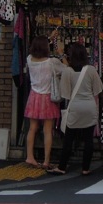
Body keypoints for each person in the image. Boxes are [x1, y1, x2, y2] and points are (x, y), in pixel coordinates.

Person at [55, 43, 103, 175]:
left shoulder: (67, 72)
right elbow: (97, 90)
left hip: (75, 107)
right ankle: (86, 168)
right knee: (89, 139)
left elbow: (65, 94)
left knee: (68, 139)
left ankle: (62, 167)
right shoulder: (91, 70)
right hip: (89, 106)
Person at [23, 33, 64, 169]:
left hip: (34, 96)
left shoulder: (29, 60)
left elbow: (37, 46)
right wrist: (61, 53)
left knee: (32, 128)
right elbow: (66, 69)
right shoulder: (52, 63)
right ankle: (46, 161)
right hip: (48, 98)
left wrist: (48, 38)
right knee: (48, 130)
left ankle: (30, 157)